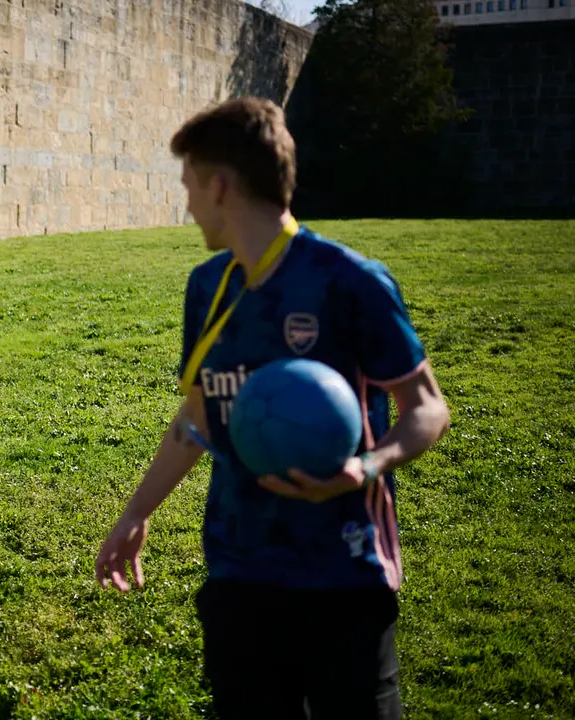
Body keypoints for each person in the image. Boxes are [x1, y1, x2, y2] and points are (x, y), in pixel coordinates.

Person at [93, 98, 450, 718]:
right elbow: (199, 417)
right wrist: (136, 512)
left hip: (345, 572)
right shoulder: (208, 286)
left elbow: (426, 408)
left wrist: (368, 465)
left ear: (221, 186)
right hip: (239, 569)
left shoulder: (351, 282)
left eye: (190, 186)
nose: (187, 204)